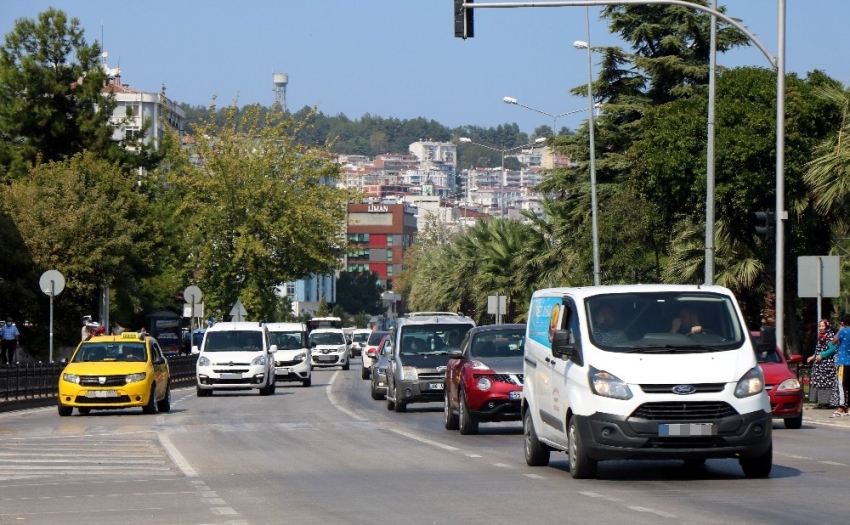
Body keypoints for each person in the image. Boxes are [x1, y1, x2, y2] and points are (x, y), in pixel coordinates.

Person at [807, 318, 838, 408]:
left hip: (827, 364)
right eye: (819, 326)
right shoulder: (821, 336)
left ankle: (826, 402)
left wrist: (822, 355)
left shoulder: (830, 336)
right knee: (818, 382)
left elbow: (833, 348)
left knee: (826, 383)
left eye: (822, 326)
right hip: (819, 364)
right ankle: (820, 402)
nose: (820, 328)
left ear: (827, 326)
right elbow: (819, 349)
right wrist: (813, 357)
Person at [829, 313, 850, 417]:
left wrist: (840, 329)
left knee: (841, 385)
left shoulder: (843, 331)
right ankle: (849, 408)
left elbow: (833, 341)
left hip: (843, 362)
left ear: (843, 322)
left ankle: (841, 407)